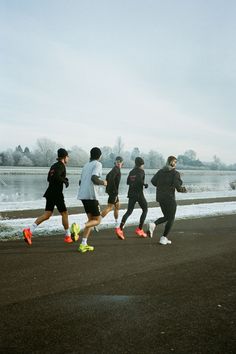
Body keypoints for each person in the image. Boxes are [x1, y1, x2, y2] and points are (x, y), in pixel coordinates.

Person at [23, 148, 72, 245]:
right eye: (68, 157)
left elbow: (49, 178)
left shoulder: (54, 166)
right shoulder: (61, 166)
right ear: (64, 157)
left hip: (50, 193)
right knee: (65, 213)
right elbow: (56, 177)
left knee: (47, 214)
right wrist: (64, 181)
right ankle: (68, 236)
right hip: (56, 194)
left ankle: (29, 231)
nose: (68, 159)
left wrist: (63, 179)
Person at [147, 155, 187, 245]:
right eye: (175, 162)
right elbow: (178, 187)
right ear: (171, 162)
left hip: (160, 198)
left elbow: (153, 181)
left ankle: (153, 224)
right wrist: (184, 189)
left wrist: (162, 186)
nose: (176, 164)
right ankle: (163, 238)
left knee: (166, 216)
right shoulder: (175, 173)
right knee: (171, 218)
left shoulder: (160, 171)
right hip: (169, 198)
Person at [77, 147, 107, 253]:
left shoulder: (86, 165)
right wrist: (103, 182)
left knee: (90, 220)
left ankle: (83, 244)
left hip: (83, 195)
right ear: (99, 156)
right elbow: (94, 178)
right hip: (91, 195)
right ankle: (78, 227)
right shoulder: (98, 164)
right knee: (98, 220)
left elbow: (80, 182)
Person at [115, 157, 148, 240]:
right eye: (143, 165)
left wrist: (135, 180)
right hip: (139, 194)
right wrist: (144, 184)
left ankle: (120, 229)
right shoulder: (141, 171)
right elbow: (140, 180)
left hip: (131, 194)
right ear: (141, 164)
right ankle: (140, 229)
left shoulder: (131, 171)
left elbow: (127, 182)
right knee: (145, 209)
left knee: (129, 211)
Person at [99, 156, 124, 227]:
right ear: (115, 162)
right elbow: (111, 178)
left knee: (117, 205)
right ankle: (97, 221)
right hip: (114, 192)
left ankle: (116, 222)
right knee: (109, 207)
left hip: (113, 191)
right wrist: (114, 190)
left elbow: (108, 176)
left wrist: (108, 187)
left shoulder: (115, 169)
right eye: (117, 162)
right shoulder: (116, 169)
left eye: (120, 162)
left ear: (122, 163)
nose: (118, 163)